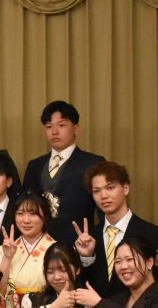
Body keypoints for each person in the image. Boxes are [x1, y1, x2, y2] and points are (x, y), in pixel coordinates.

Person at [73, 160, 158, 295]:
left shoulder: (153, 234)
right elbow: (81, 287)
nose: (103, 196)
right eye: (96, 191)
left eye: (110, 188)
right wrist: (87, 257)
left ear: (125, 188)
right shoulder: (89, 238)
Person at [22, 101, 105, 244]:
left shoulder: (93, 163)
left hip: (79, 244)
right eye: (49, 127)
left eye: (61, 125)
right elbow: (25, 206)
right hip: (38, 245)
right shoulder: (35, 166)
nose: (54, 132)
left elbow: (104, 209)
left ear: (76, 129)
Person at [0, 190, 59, 308]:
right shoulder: (2, 251)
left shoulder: (56, 250)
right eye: (20, 213)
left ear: (45, 216)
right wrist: (7, 258)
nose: (26, 220)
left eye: (33, 214)